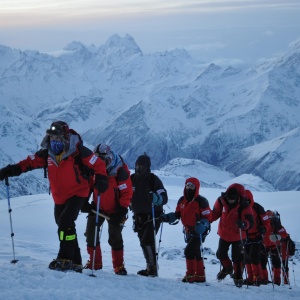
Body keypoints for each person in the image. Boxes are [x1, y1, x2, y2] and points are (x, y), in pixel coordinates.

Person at [0, 121, 108, 272]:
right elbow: (27, 163)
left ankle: (64, 258)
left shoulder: (78, 151)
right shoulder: (46, 154)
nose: (54, 142)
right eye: (51, 138)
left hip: (78, 192)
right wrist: (8, 171)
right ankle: (76, 261)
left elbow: (98, 164)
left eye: (57, 138)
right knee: (64, 225)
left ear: (64, 138)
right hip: (60, 196)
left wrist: (101, 179)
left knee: (65, 222)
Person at [83, 144, 132, 275]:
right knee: (90, 233)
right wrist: (84, 201)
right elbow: (89, 186)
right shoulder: (94, 171)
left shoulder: (119, 172)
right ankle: (95, 262)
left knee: (115, 237)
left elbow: (126, 192)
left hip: (115, 210)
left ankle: (118, 266)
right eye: (98, 161)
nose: (101, 164)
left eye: (103, 161)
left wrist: (121, 210)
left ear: (109, 159)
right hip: (97, 206)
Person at [162, 177, 212, 283]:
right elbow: (177, 214)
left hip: (199, 231)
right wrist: (166, 218)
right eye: (188, 186)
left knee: (189, 251)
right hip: (188, 230)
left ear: (196, 187)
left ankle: (190, 275)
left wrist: (203, 225)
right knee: (196, 252)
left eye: (192, 186)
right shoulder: (182, 200)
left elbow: (208, 217)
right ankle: (199, 275)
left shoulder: (202, 201)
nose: (189, 188)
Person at [130, 153, 168, 277]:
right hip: (138, 216)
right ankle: (149, 266)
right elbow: (124, 194)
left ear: (147, 167)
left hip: (153, 215)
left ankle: (152, 268)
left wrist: (156, 198)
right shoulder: (132, 179)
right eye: (137, 165)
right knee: (143, 241)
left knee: (147, 240)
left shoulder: (153, 180)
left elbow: (164, 198)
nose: (138, 168)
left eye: (141, 165)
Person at [211, 183, 254, 287]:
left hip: (238, 235)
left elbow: (250, 221)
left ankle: (238, 276)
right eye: (229, 198)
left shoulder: (244, 205)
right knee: (221, 254)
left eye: (232, 199)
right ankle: (228, 268)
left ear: (237, 197)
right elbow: (215, 213)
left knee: (237, 257)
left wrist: (244, 224)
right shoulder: (221, 201)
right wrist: (206, 221)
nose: (230, 201)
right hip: (224, 233)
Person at [243, 189, 271, 286]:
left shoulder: (258, 208)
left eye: (247, 200)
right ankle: (251, 278)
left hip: (257, 236)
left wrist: (264, 228)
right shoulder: (240, 208)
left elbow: (266, 222)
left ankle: (257, 278)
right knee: (247, 258)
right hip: (245, 237)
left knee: (253, 257)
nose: (245, 202)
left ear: (250, 199)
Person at [260, 210, 290, 285]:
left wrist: (277, 237)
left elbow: (284, 234)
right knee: (275, 263)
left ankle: (265, 279)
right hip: (271, 245)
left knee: (263, 263)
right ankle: (276, 280)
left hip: (267, 245)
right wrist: (278, 237)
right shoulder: (276, 223)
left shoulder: (267, 223)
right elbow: (284, 234)